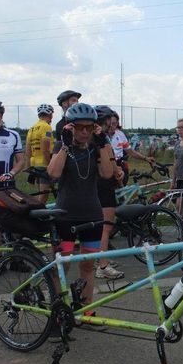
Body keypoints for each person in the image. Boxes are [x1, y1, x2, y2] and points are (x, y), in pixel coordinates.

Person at [47, 103, 114, 306]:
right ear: (70, 127)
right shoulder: (62, 147)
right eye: (79, 127)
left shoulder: (96, 147)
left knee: (87, 267)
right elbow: (53, 173)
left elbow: (107, 174)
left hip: (92, 217)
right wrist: (66, 146)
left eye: (89, 127)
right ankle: (60, 311)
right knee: (62, 266)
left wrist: (103, 144)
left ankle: (86, 310)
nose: (84, 132)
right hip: (66, 217)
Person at [93, 105, 124, 280]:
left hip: (96, 185)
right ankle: (102, 266)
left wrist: (117, 170)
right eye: (109, 122)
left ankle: (100, 259)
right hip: (103, 185)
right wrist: (117, 173)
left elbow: (111, 157)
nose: (112, 125)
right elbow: (109, 158)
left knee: (99, 227)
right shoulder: (100, 138)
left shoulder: (92, 137)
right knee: (106, 227)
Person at [108, 113, 154, 184]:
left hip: (120, 166)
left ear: (117, 123)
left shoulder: (120, 134)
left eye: (113, 123)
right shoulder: (102, 136)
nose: (111, 126)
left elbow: (131, 152)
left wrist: (145, 158)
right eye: (109, 123)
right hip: (107, 167)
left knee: (121, 192)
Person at [24, 104, 55, 204]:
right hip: (44, 163)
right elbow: (45, 149)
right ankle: (37, 216)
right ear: (50, 115)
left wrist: (29, 166)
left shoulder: (32, 128)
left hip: (35, 164)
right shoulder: (46, 127)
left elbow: (28, 150)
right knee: (43, 196)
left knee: (40, 194)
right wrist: (51, 165)